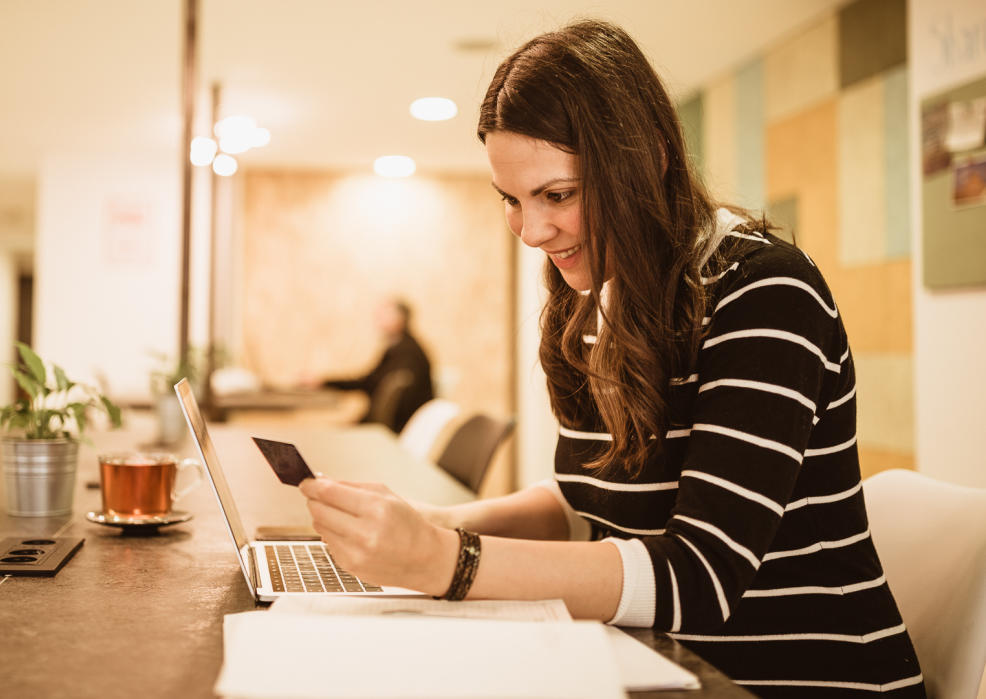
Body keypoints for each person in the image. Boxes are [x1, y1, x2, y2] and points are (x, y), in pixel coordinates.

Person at [299, 19, 925, 698]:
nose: (533, 232)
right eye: (511, 199)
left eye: (557, 195)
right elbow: (585, 504)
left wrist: (451, 561)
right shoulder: (590, 294)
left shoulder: (765, 291)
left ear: (648, 159)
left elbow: (699, 578)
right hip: (662, 665)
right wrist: (435, 525)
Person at [320, 297, 434, 433]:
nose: (378, 319)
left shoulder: (406, 352)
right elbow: (372, 382)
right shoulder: (401, 346)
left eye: (385, 315)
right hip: (394, 425)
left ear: (400, 319)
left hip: (399, 428)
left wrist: (326, 382)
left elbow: (373, 386)